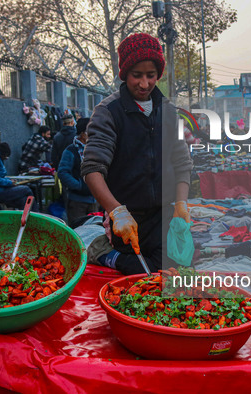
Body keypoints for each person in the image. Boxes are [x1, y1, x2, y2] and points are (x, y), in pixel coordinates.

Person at [81, 33, 193, 275]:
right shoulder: (108, 112)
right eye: (137, 75)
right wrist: (116, 212)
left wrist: (181, 204)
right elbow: (92, 169)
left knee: (175, 271)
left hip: (163, 213)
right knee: (139, 275)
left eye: (150, 75)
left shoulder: (169, 112)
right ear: (124, 74)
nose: (144, 84)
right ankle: (104, 253)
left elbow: (182, 162)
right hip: (127, 219)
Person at [57, 117, 98, 226]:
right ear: (83, 134)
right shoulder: (71, 151)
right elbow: (62, 173)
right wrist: (79, 186)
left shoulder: (95, 149)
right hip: (77, 201)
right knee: (78, 232)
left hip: (95, 199)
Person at [0, 142, 37, 210]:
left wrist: (8, 180)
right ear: (4, 154)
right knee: (27, 189)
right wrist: (9, 183)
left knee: (24, 200)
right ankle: (36, 214)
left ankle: (24, 219)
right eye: (6, 157)